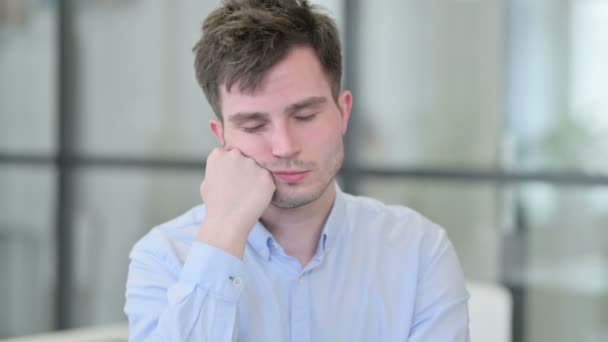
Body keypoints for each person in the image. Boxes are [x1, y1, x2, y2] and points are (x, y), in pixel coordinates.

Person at [124, 0, 470, 341]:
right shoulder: (164, 258)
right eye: (254, 125)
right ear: (222, 137)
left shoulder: (419, 251)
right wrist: (223, 232)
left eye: (305, 116)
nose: (285, 146)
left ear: (343, 112)